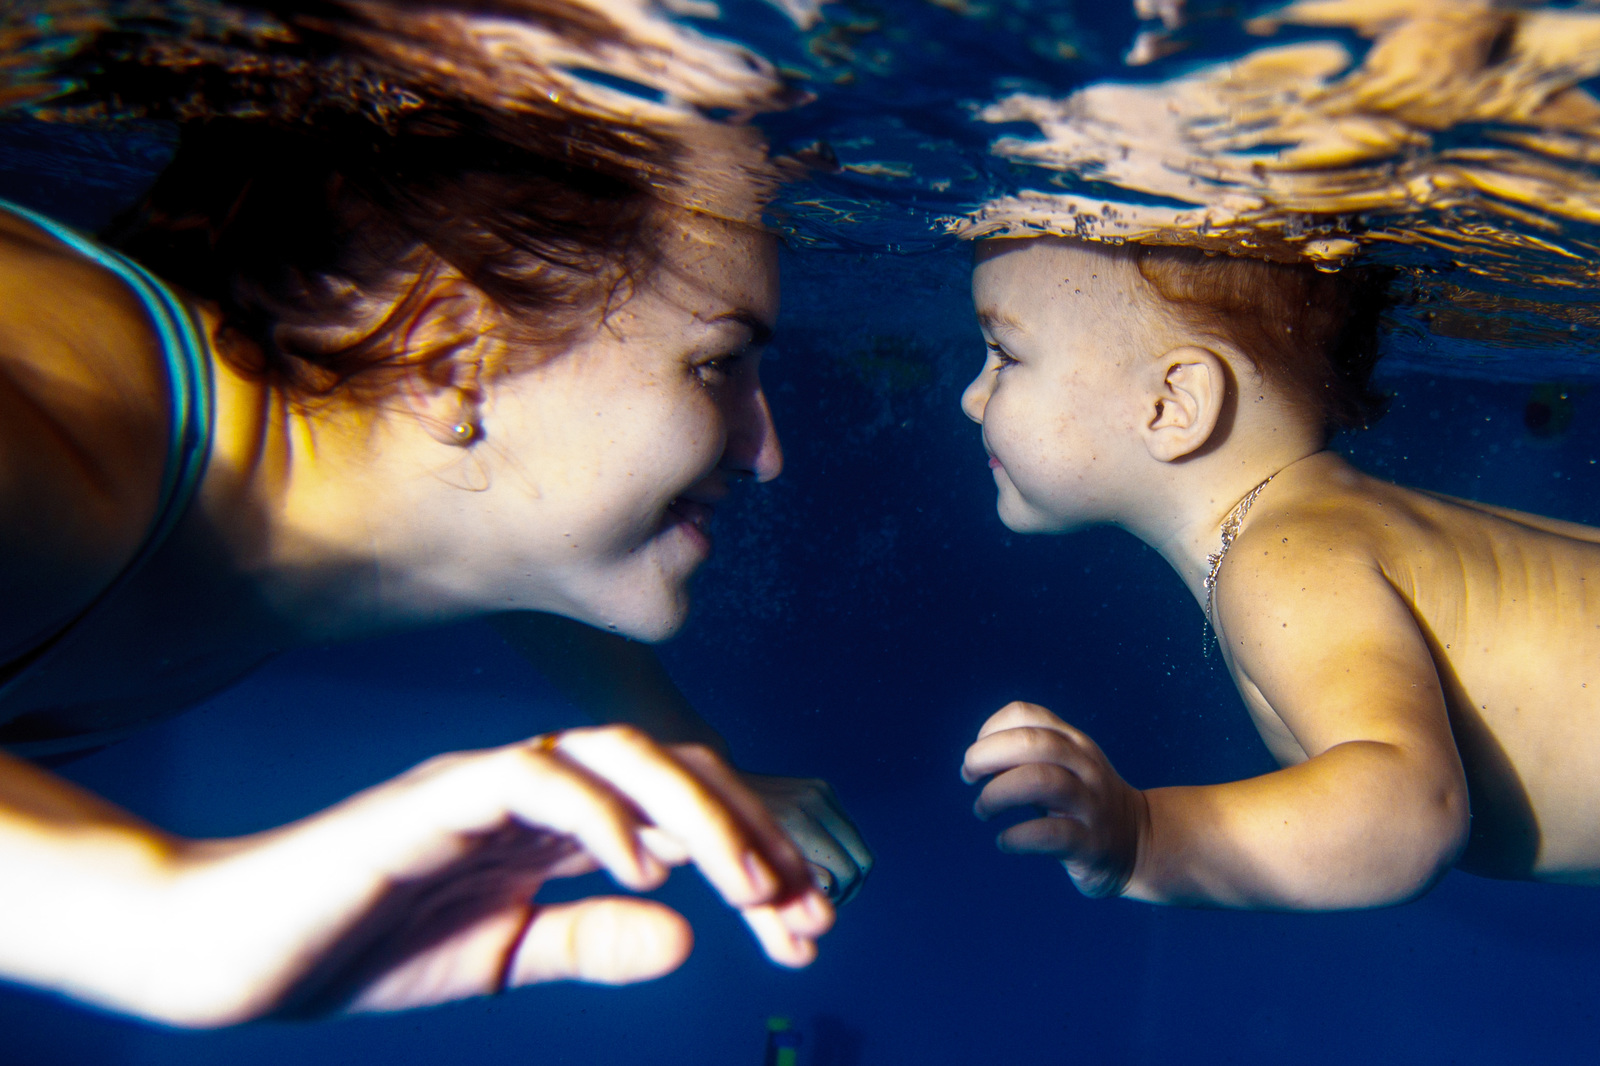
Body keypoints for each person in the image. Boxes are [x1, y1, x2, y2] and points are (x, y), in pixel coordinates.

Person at [0, 5, 869, 1025]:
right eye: (717, 363)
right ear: (454, 352)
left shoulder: (339, 483)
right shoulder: (71, 422)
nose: (766, 453)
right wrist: (161, 919)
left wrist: (689, 748)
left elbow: (522, 541)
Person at [956, 234, 1600, 909]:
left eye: (1005, 354)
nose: (973, 397)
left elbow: (1414, 812)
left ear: (1173, 404)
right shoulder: (1319, 521)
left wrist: (1147, 840)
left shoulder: (1280, 561)